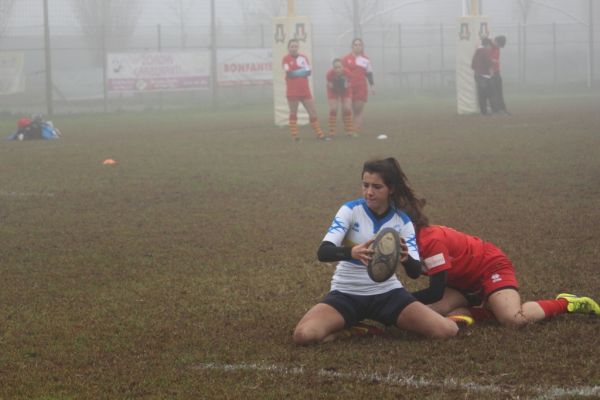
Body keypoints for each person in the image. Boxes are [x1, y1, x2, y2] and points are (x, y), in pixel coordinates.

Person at [292, 158, 471, 346]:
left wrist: (405, 258)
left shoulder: (402, 222)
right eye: (365, 185)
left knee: (446, 331)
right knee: (304, 336)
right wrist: (352, 252)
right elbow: (324, 252)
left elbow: (415, 272)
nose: (369, 192)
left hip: (388, 294)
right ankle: (354, 330)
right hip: (346, 293)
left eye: (377, 187)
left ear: (391, 189)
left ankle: (462, 312)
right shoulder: (350, 211)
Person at [409, 219, 600, 327]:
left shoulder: (429, 240)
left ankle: (566, 303)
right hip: (459, 283)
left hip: (489, 267)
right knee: (424, 316)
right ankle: (480, 309)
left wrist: (399, 301)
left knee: (513, 319)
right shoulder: (397, 239)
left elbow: (435, 291)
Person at [282, 38, 326, 142]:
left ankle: (319, 134)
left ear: (298, 47)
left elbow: (308, 72)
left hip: (305, 90)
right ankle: (295, 136)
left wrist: (296, 72)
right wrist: (302, 71)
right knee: (293, 113)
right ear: (288, 48)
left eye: (295, 46)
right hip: (292, 91)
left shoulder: (303, 58)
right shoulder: (285, 59)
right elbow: (289, 74)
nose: (294, 48)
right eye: (292, 46)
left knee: (313, 112)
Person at [342, 38, 374, 134]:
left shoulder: (366, 59)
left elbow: (369, 73)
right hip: (347, 87)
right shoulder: (345, 59)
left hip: (361, 87)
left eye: (359, 44)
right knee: (347, 109)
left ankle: (355, 131)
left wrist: (372, 86)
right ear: (352, 46)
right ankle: (348, 129)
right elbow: (341, 73)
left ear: (362, 46)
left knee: (358, 110)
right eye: (355, 44)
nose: (357, 46)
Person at [325, 58, 356, 138]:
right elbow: (329, 84)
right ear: (333, 68)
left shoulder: (348, 73)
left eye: (339, 67)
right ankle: (332, 131)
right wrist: (331, 85)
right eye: (336, 67)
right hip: (333, 90)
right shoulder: (329, 74)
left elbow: (350, 82)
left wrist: (347, 84)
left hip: (345, 90)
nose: (338, 69)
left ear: (343, 67)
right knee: (333, 109)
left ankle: (349, 130)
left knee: (347, 108)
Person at [471, 38, 493, 115]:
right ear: (487, 45)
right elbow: (488, 62)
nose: (490, 47)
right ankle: (487, 110)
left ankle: (483, 111)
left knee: (481, 94)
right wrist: (492, 64)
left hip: (477, 74)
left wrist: (476, 69)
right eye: (490, 45)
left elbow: (473, 64)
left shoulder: (477, 51)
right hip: (484, 75)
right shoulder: (485, 51)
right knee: (487, 93)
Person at [490, 35, 509, 114]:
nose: (499, 47)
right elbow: (486, 59)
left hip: (496, 72)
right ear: (496, 41)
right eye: (499, 45)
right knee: (494, 92)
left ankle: (502, 109)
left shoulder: (496, 47)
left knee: (499, 92)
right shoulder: (490, 46)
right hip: (491, 73)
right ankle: (496, 110)